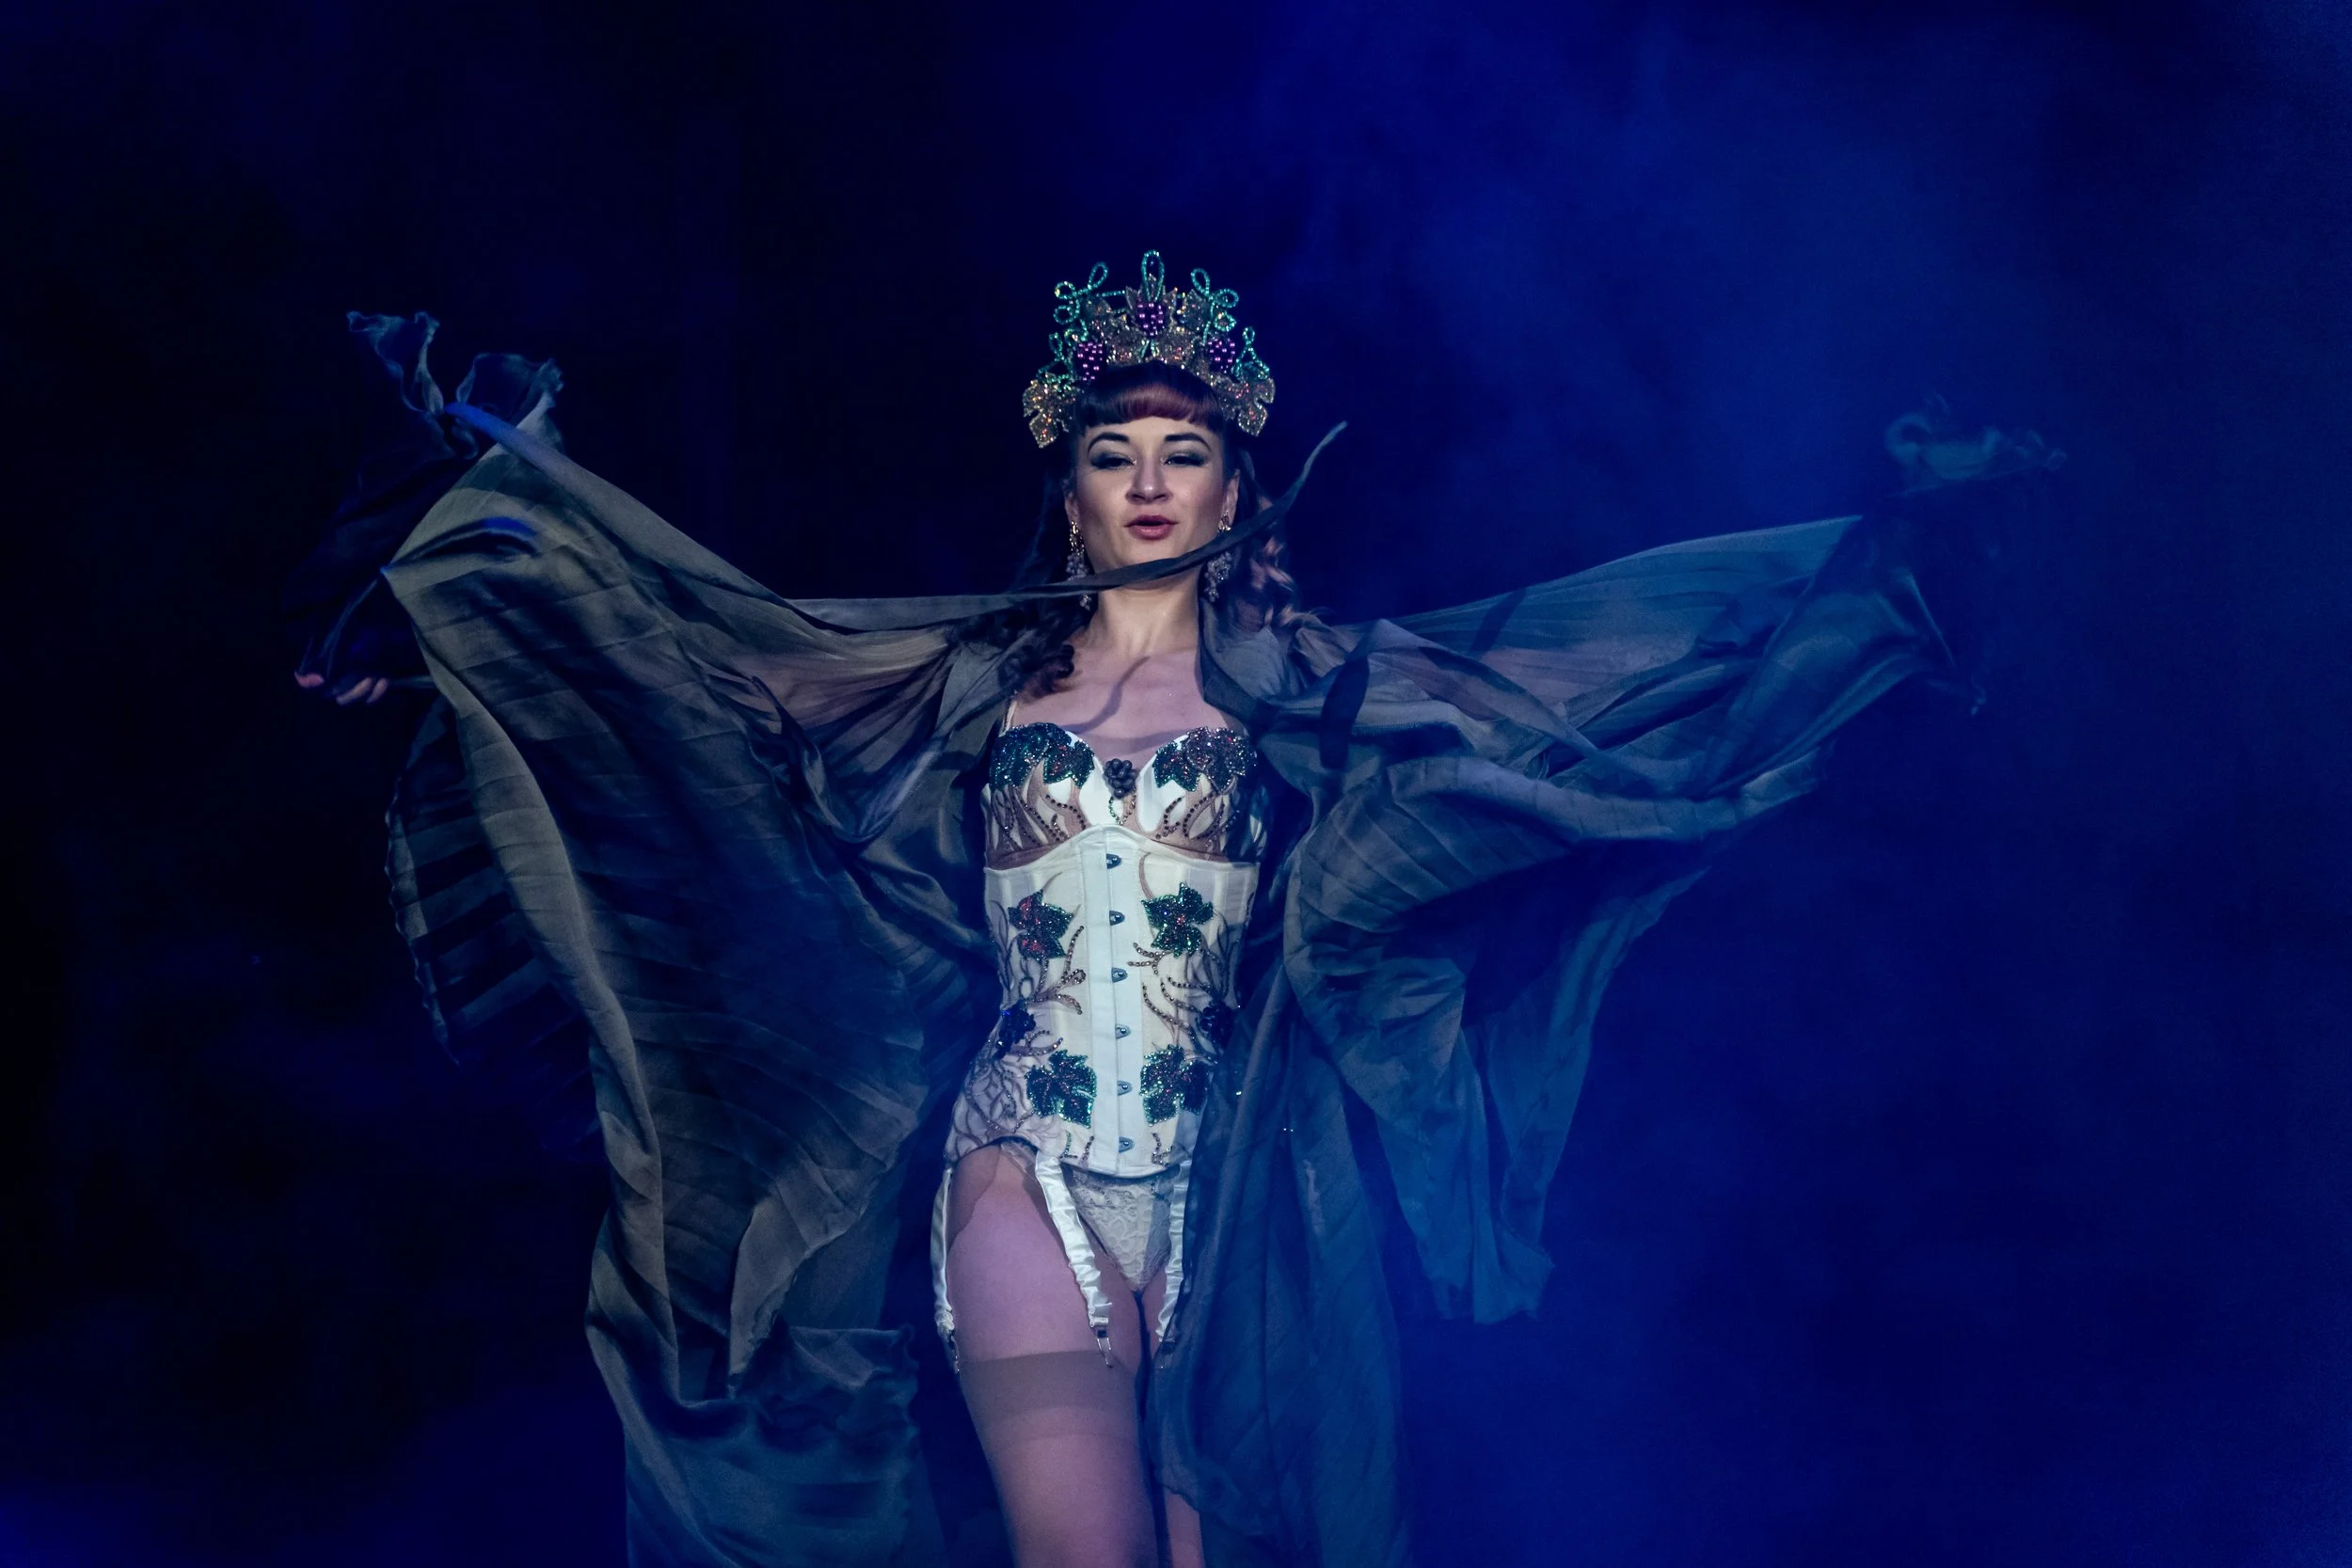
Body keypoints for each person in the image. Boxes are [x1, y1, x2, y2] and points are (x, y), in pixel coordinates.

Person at [290, 253, 2055, 1568]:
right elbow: (705, 679)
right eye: (1116, 449)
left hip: (1237, 1194)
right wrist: (508, 554)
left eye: (1184, 450)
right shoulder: (971, 686)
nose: (1148, 478)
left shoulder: (1311, 691)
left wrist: (1893, 555)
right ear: (1067, 487)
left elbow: (1575, 683)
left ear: (1235, 488)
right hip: (1022, 1175)